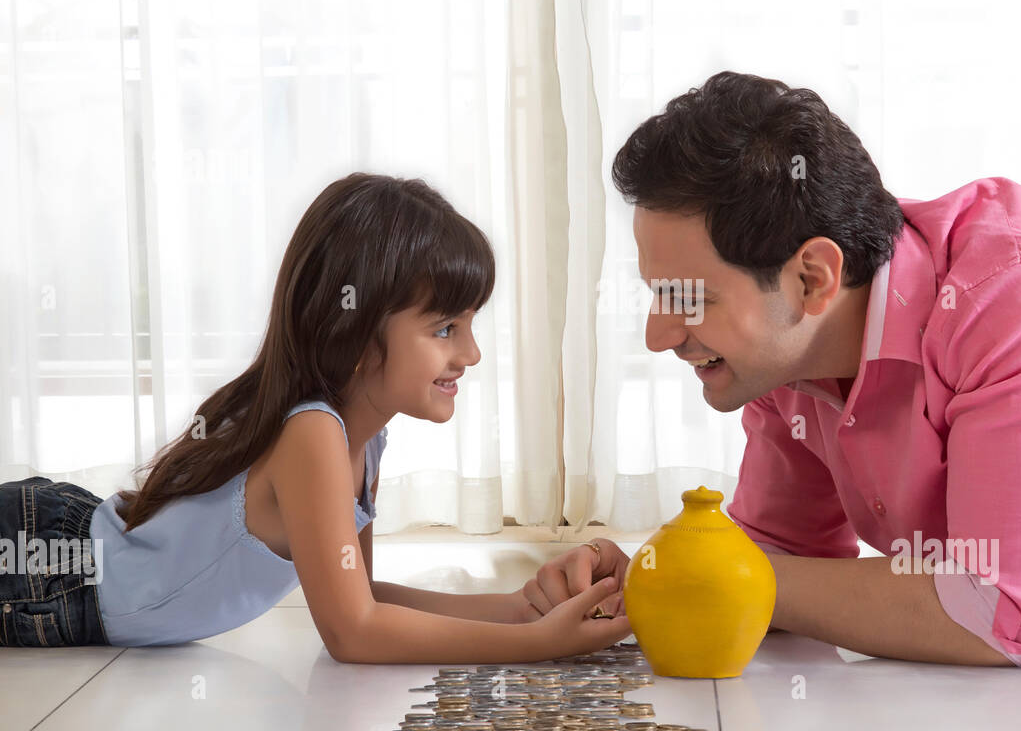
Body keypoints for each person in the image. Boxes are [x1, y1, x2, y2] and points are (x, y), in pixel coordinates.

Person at [584, 69, 1021, 670]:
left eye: (690, 299)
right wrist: (643, 579)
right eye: (656, 294)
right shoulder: (787, 358)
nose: (657, 334)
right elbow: (783, 561)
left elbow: (994, 610)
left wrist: (723, 573)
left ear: (812, 278)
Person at [0, 173, 630, 662]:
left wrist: (520, 609)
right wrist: (541, 643)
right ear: (354, 333)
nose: (470, 353)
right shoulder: (312, 435)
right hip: (54, 569)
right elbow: (353, 634)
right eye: (445, 328)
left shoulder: (365, 439)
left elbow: (364, 597)